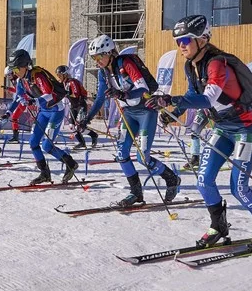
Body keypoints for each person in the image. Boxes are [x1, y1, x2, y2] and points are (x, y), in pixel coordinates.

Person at [147, 15, 252, 250]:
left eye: (186, 39)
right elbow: (191, 95)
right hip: (221, 128)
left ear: (203, 39)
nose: (181, 45)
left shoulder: (216, 63)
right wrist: (171, 110)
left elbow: (207, 99)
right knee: (203, 181)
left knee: (239, 188)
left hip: (244, 129)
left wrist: (169, 99)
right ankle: (219, 226)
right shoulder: (190, 65)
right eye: (178, 41)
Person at [77, 35, 180, 205]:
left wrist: (123, 94)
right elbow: (100, 99)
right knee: (121, 153)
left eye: (99, 56)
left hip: (146, 111)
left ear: (110, 53)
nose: (97, 61)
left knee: (143, 158)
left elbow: (143, 88)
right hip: (129, 113)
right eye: (94, 58)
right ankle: (136, 193)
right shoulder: (104, 73)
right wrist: (86, 119)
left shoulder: (125, 63)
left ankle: (172, 179)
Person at [6, 50, 78, 185]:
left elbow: (49, 94)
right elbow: (17, 98)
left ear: (24, 65)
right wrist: (8, 113)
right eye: (12, 69)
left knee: (46, 145)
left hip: (55, 111)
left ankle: (70, 163)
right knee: (33, 142)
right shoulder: (21, 81)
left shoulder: (37, 75)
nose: (14, 72)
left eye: (15, 68)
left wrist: (34, 101)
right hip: (43, 112)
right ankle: (44, 173)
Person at [55, 65, 98, 149]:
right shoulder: (63, 83)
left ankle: (94, 135)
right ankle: (81, 142)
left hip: (80, 105)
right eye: (58, 76)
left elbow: (76, 94)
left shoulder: (72, 82)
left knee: (80, 127)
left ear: (65, 74)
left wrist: (66, 93)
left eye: (60, 75)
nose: (59, 77)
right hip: (73, 106)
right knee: (71, 126)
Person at [1, 66, 27, 142]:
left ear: (13, 72)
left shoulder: (18, 79)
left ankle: (16, 136)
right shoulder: (14, 80)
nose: (8, 77)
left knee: (14, 117)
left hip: (22, 101)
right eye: (7, 76)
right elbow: (17, 90)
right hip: (20, 100)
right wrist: (9, 88)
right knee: (14, 118)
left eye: (9, 75)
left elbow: (20, 92)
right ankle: (15, 136)